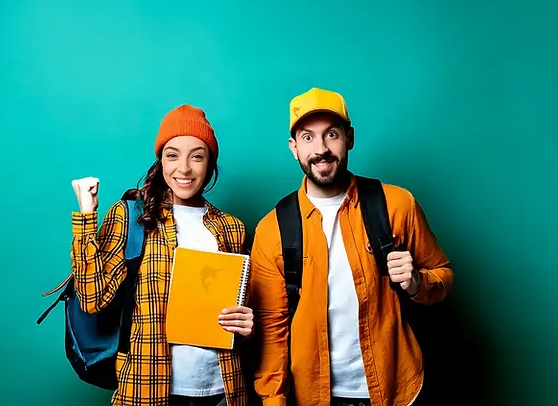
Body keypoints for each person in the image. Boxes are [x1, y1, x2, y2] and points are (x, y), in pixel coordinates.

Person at [247, 88, 454, 406]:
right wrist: (274, 400)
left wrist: (416, 283)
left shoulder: (396, 204)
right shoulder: (272, 228)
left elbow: (442, 277)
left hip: (396, 389)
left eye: (331, 134)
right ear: (294, 148)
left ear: (350, 138)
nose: (321, 149)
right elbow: (272, 327)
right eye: (307, 138)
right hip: (312, 396)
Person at [70, 104, 254, 406]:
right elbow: (91, 298)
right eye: (173, 155)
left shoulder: (231, 228)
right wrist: (87, 216)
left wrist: (247, 324)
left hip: (225, 389)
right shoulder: (132, 217)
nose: (184, 168)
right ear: (161, 161)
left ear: (210, 163)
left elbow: (242, 313)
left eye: (197, 155)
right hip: (147, 387)